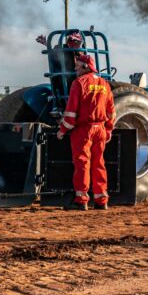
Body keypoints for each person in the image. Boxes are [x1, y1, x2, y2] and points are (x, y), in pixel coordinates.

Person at [57, 53, 116, 211]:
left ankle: (81, 200)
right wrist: (108, 129)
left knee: (82, 163)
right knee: (99, 164)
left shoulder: (79, 83)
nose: (75, 70)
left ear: (85, 66)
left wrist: (62, 130)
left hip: (84, 130)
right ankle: (101, 200)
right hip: (100, 129)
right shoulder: (105, 84)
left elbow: (70, 113)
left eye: (77, 67)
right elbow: (111, 112)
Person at [51, 31, 84, 99]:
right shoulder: (63, 50)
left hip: (74, 82)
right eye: (77, 42)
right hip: (66, 83)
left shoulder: (77, 53)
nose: (79, 45)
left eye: (80, 43)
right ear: (71, 42)